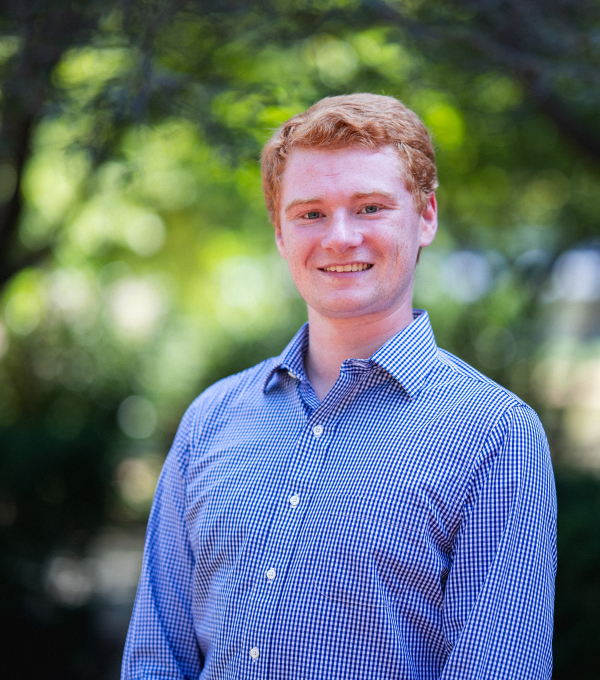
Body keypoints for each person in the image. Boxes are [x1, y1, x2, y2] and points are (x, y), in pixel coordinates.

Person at [122, 93, 557, 680]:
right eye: (310, 214)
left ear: (426, 215)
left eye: (370, 207)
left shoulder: (494, 436)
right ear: (280, 233)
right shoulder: (212, 420)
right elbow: (156, 656)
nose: (340, 236)